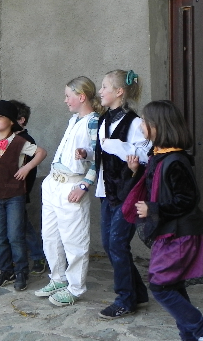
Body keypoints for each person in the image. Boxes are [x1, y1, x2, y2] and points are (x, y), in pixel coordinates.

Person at [126, 100, 203, 341]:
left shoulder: (176, 160)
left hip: (180, 233)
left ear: (158, 125)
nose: (141, 125)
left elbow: (187, 200)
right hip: (168, 231)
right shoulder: (159, 155)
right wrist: (136, 171)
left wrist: (153, 208)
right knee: (173, 284)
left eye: (145, 121)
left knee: (160, 286)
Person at [35, 77, 102, 306]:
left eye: (68, 96)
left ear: (81, 97)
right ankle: (58, 278)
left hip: (72, 185)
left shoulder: (93, 122)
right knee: (50, 236)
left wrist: (84, 185)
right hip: (54, 183)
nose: (65, 100)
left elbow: (100, 157)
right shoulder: (74, 119)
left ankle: (75, 287)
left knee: (74, 240)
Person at [92, 70, 152, 320]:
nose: (100, 91)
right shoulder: (104, 120)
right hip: (107, 192)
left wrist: (120, 149)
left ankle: (125, 300)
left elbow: (146, 154)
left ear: (119, 92)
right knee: (109, 244)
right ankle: (138, 293)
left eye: (104, 87)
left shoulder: (135, 123)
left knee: (117, 243)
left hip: (128, 193)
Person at [0, 100, 47, 291]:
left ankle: (21, 272)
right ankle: (6, 271)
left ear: (11, 121)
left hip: (15, 195)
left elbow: (41, 152)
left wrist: (27, 167)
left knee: (15, 235)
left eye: (0, 117)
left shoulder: (19, 142)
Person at [9, 99, 47, 275]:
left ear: (21, 120)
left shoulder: (25, 141)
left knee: (22, 225)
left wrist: (23, 190)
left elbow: (28, 170)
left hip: (18, 191)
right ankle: (4, 257)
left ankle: (38, 255)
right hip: (3, 190)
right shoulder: (5, 139)